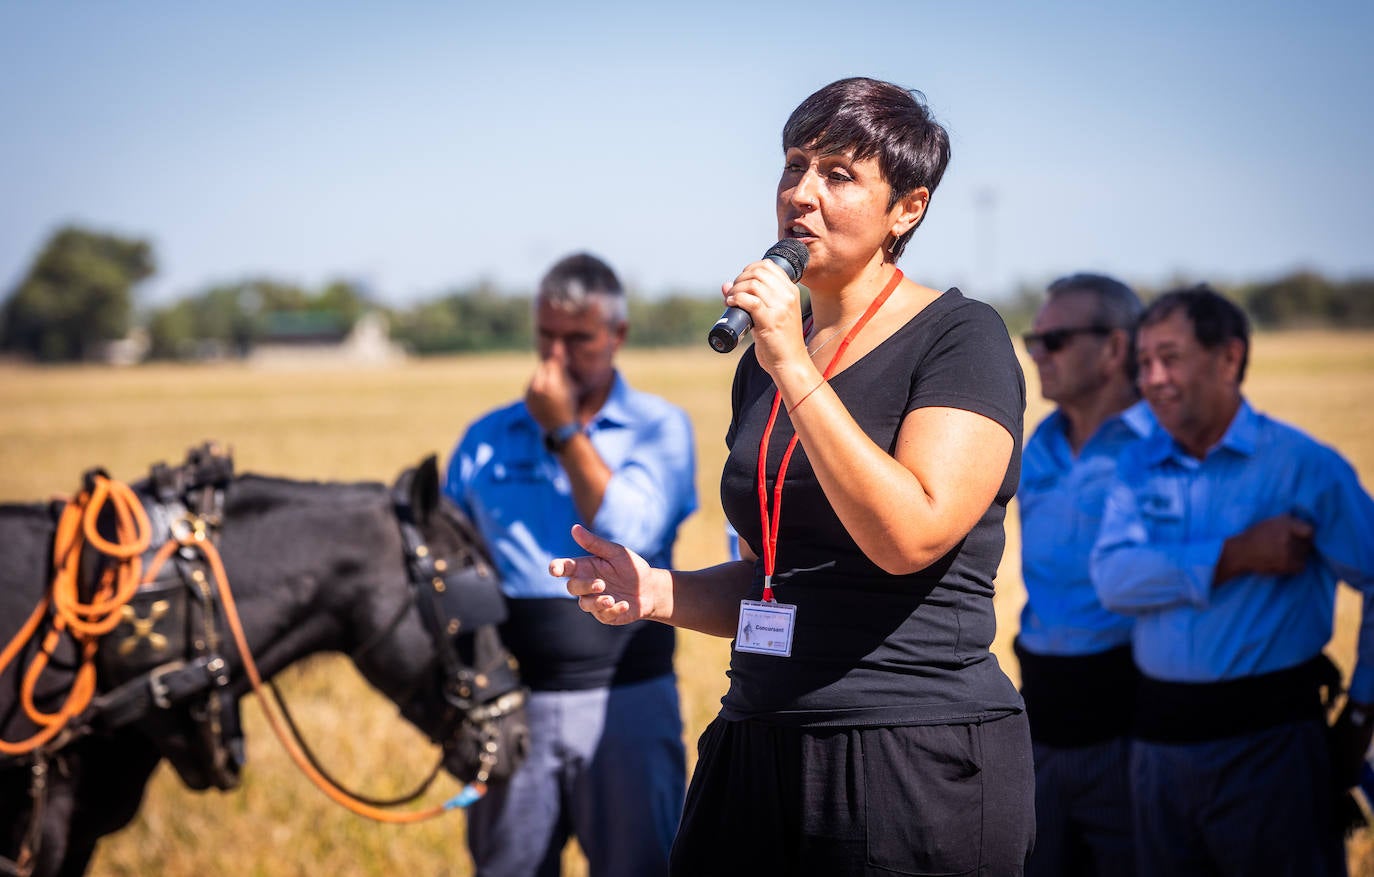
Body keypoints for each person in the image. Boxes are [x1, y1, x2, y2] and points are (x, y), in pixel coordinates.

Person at [551, 77, 1035, 875]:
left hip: (908, 752)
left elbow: (909, 533)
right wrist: (658, 591)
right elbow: (775, 578)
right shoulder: (767, 361)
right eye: (793, 164)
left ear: (907, 208)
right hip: (758, 735)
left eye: (838, 174)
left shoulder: (961, 337)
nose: (800, 194)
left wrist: (791, 360)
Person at [1090, 285, 1374, 877]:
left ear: (1229, 359)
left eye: (1171, 357)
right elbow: (1114, 581)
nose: (1154, 379)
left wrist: (1361, 712)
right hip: (1159, 749)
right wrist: (1237, 554)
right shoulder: (1136, 464)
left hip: (1272, 748)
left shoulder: (1303, 465)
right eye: (1144, 363)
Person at [444, 252, 698, 877]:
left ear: (618, 336)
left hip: (627, 700)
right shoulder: (488, 437)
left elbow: (628, 532)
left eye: (578, 340)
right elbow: (446, 557)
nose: (555, 358)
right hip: (513, 704)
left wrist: (562, 432)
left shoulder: (657, 428)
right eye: (545, 338)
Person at [1015, 273, 1151, 876]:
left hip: (1134, 726)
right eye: (1033, 339)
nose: (1037, 354)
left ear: (1117, 349)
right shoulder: (1037, 445)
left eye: (1056, 339)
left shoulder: (1167, 448)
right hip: (1040, 716)